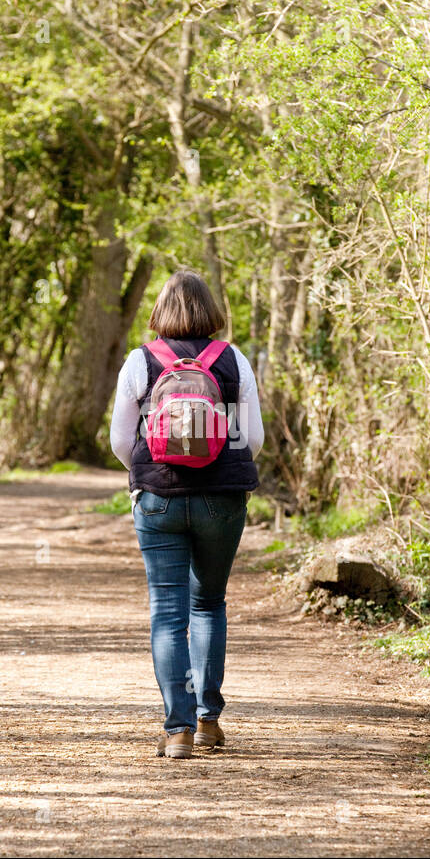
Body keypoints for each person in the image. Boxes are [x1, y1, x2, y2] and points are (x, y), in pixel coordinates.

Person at [109, 269, 265, 759]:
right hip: (221, 499)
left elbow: (119, 440)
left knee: (167, 611)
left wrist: (146, 473)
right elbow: (254, 439)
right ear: (210, 310)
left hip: (158, 501)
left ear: (160, 311)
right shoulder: (233, 360)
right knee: (208, 604)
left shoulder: (140, 361)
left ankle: (176, 730)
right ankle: (208, 721)